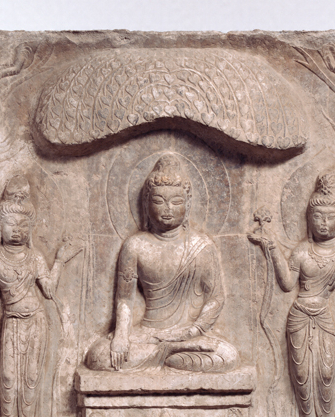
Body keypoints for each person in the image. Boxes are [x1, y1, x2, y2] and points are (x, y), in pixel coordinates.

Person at [86, 154, 238, 372]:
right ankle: (169, 352)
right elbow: (125, 298)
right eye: (158, 201)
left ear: (188, 204)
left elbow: (216, 298)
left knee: (228, 356)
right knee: (98, 356)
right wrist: (121, 336)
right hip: (148, 333)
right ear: (146, 204)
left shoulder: (202, 246)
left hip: (188, 335)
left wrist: (192, 332)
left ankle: (168, 351)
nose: (168, 208)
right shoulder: (135, 245)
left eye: (176, 202)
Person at [249, 171, 335, 417]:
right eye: (317, 217)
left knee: (326, 371)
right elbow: (287, 284)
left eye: (330, 218)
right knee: (301, 372)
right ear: (308, 220)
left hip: (323, 316)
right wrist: (272, 247)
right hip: (299, 316)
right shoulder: (302, 251)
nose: (323, 223)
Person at [0, 174, 82, 417]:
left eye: (23, 225)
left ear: (30, 228)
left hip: (37, 322)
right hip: (12, 321)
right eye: (11, 224)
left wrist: (60, 260)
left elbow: (48, 290)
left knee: (32, 377)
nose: (17, 230)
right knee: (8, 377)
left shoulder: (35, 256)